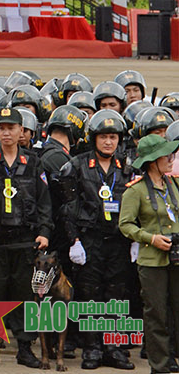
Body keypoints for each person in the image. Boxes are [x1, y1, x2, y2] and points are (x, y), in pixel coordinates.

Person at [0, 106, 51, 368]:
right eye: (1, 128)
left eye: (11, 128)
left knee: (24, 296)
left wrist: (44, 232)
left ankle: (25, 348)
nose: (6, 132)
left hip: (24, 241)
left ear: (21, 132)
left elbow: (44, 202)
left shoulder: (34, 162)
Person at [69, 110, 134, 371]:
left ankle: (113, 347)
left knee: (117, 294)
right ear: (93, 138)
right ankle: (92, 348)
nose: (109, 142)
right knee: (89, 295)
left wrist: (135, 240)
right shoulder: (77, 165)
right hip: (90, 240)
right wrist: (74, 240)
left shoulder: (128, 167)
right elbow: (69, 206)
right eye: (104, 137)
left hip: (118, 241)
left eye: (113, 137)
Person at [118, 133, 179, 374]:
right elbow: (125, 225)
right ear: (153, 161)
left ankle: (172, 356)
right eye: (167, 155)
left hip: (176, 258)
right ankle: (160, 365)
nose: (171, 159)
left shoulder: (173, 184)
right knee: (156, 314)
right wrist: (150, 238)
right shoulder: (136, 190)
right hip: (152, 260)